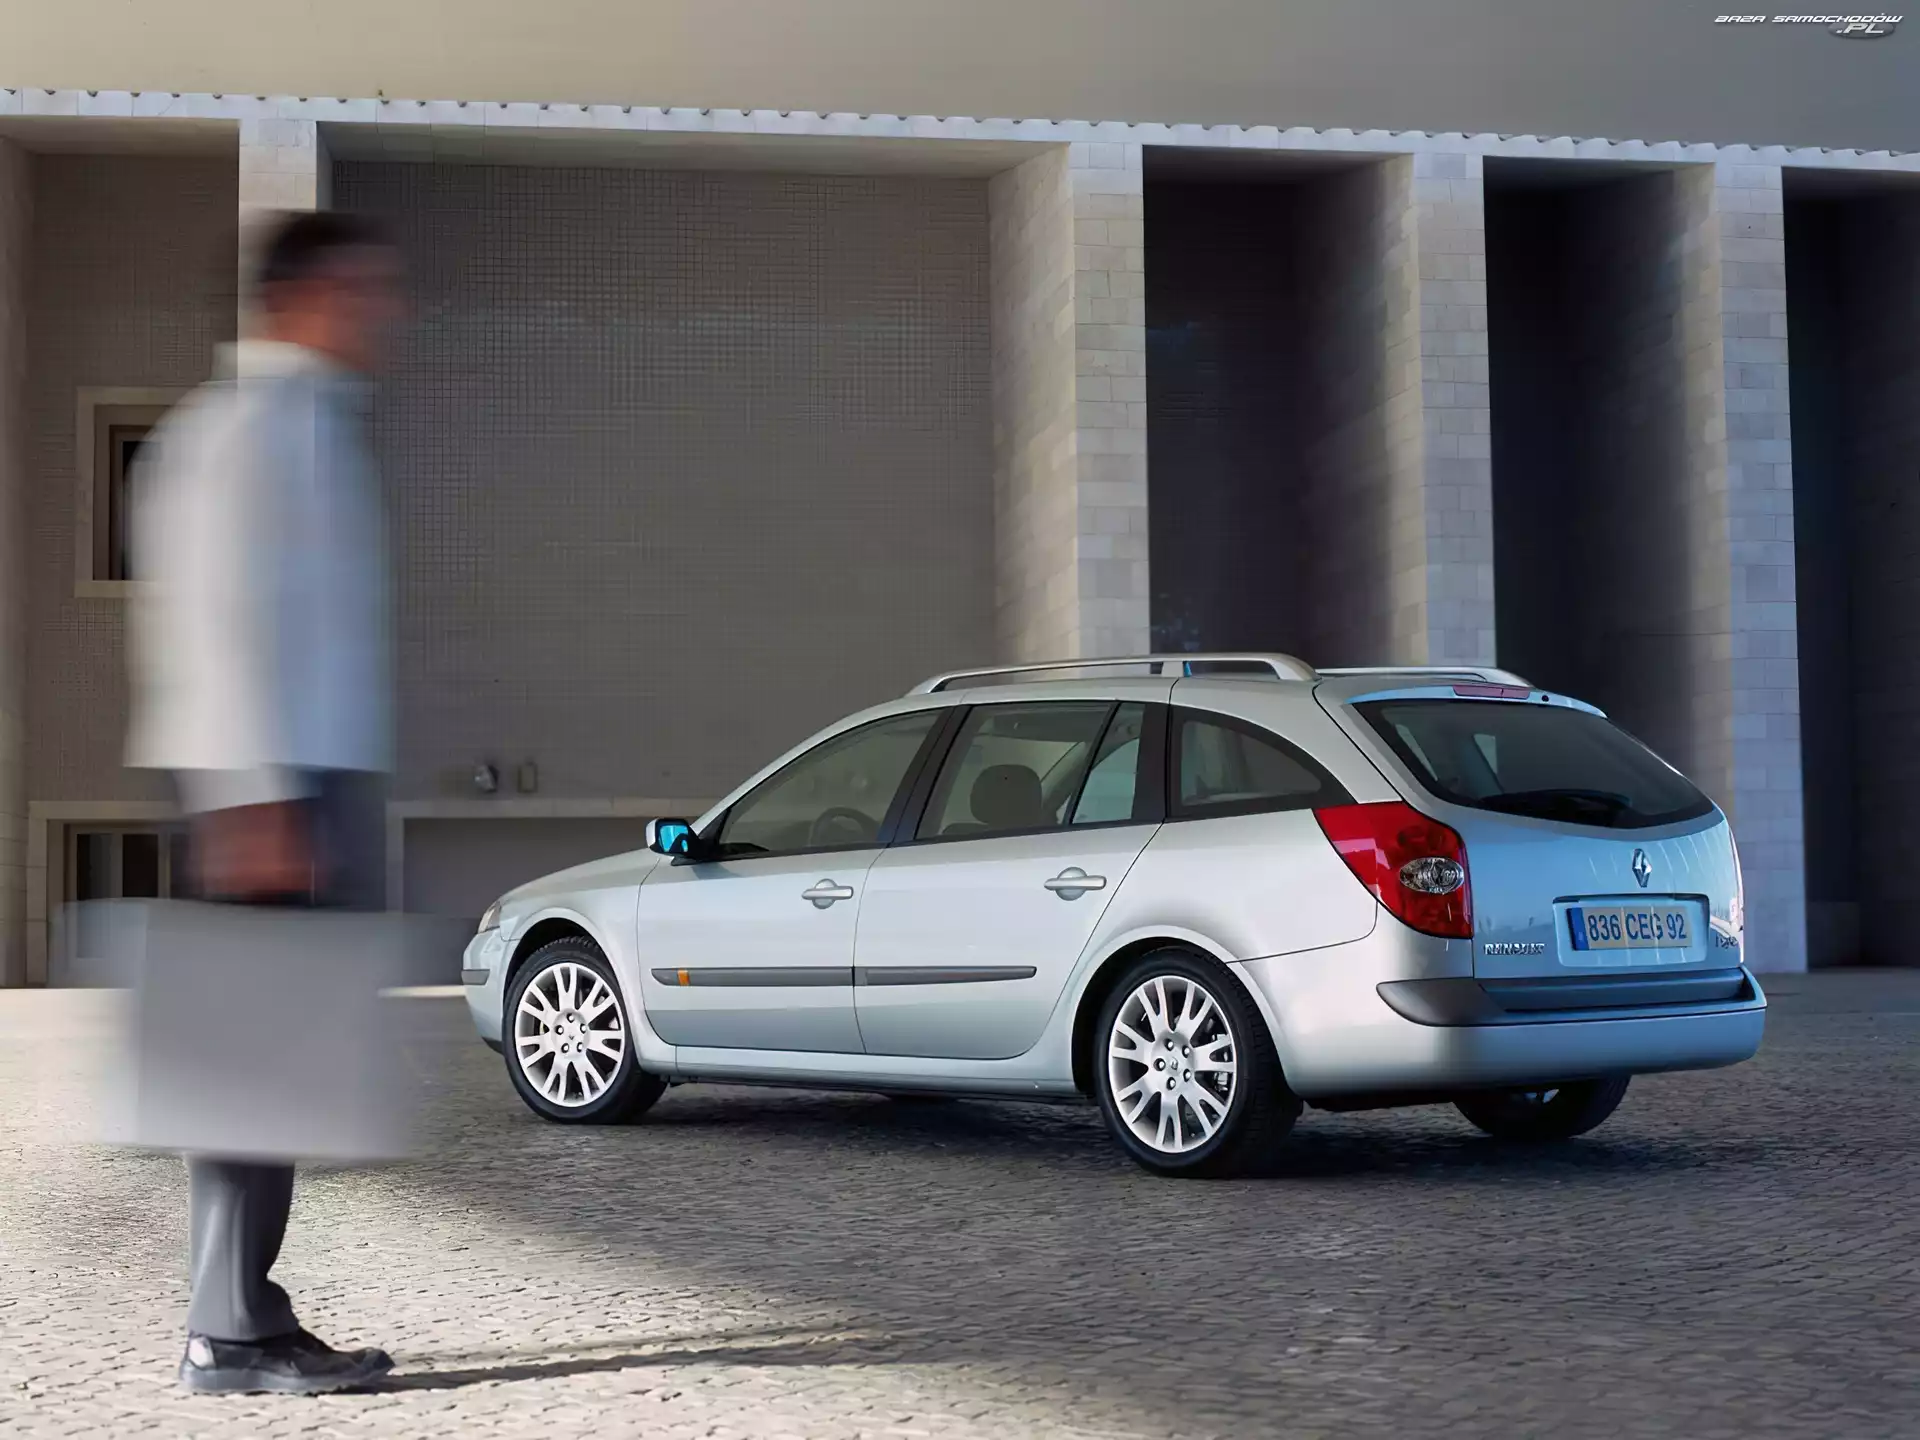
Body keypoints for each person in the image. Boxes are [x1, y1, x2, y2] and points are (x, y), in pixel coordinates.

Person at [125, 209, 404, 1395]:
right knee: (247, 1070)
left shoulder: (316, 427)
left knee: (275, 1069)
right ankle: (230, 1334)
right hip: (265, 789)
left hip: (307, 779)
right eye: (363, 289)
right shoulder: (242, 429)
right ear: (298, 295)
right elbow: (212, 617)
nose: (382, 311)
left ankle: (243, 1316)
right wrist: (252, 797)